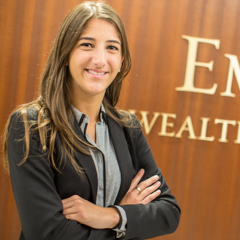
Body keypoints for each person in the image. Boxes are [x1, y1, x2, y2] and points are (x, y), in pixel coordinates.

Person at [3, 1, 180, 240]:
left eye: (111, 48)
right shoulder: (31, 126)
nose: (100, 59)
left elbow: (168, 213)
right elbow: (47, 233)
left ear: (121, 61)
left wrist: (110, 215)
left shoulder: (129, 127)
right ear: (65, 54)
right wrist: (127, 219)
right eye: (87, 45)